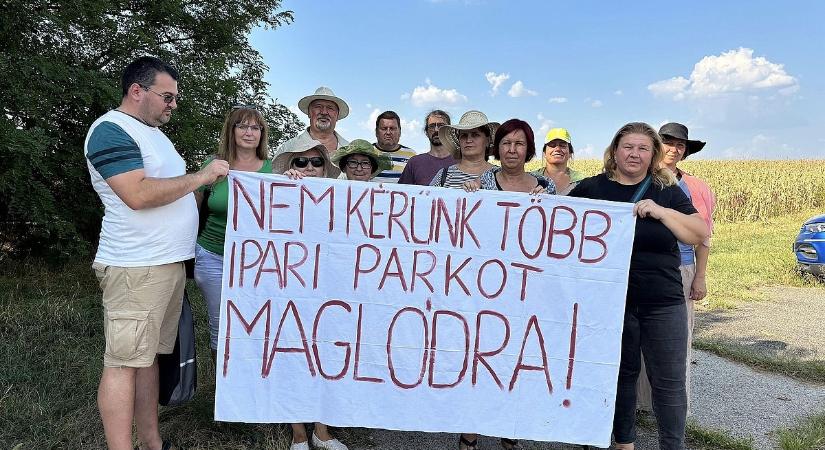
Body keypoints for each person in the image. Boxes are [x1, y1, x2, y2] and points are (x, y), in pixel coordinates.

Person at [84, 56, 229, 450]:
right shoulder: (111, 130)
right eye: (167, 96)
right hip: (136, 267)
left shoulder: (152, 134)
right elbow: (137, 194)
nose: (173, 104)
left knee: (148, 359)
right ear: (137, 91)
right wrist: (202, 176)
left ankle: (152, 442)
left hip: (164, 266)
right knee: (123, 363)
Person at [568, 122, 708, 450]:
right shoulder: (592, 188)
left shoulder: (666, 190)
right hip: (612, 303)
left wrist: (661, 212)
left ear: (652, 155)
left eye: (643, 148)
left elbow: (698, 232)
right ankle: (624, 443)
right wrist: (536, 200)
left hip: (663, 301)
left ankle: (673, 445)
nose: (635, 153)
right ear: (614, 151)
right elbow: (558, 219)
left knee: (669, 383)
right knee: (621, 376)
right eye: (628, 146)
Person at [271, 136, 348, 450]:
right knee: (291, 356)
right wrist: (284, 187)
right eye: (300, 161)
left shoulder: (339, 196)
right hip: (289, 288)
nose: (309, 167)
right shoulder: (278, 192)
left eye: (317, 162)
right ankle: (298, 433)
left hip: (327, 289)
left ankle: (321, 430)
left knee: (325, 355)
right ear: (290, 166)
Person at [636, 123, 716, 413]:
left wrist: (700, 277)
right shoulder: (637, 177)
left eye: (679, 145)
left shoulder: (696, 188)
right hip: (639, 268)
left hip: (680, 268)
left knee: (675, 342)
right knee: (636, 340)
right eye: (667, 142)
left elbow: (704, 236)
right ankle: (641, 403)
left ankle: (673, 407)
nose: (673, 148)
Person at [193, 106, 272, 370]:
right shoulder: (213, 166)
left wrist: (296, 181)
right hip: (213, 256)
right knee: (222, 324)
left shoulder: (274, 170)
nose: (249, 132)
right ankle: (224, 391)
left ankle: (250, 380)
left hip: (257, 263)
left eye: (255, 127)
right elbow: (193, 209)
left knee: (255, 321)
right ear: (232, 130)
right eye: (242, 126)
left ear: (262, 134)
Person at [428, 110, 499, 189]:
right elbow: (427, 199)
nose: (468, 140)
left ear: (487, 141)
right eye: (464, 135)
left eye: (475, 135)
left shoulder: (501, 174)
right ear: (459, 141)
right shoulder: (443, 175)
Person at [277, 86, 350, 159]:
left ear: (337, 115)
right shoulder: (287, 149)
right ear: (309, 113)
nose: (324, 112)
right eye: (318, 106)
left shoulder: (350, 151)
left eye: (330, 108)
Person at [398, 110, 455, 185]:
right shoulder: (414, 163)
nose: (436, 130)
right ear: (426, 132)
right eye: (432, 126)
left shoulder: (462, 162)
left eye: (441, 126)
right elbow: (403, 192)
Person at [530, 128, 585, 195]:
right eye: (552, 145)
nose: (557, 149)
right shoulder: (530, 178)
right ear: (544, 153)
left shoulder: (583, 181)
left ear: (570, 153)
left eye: (562, 145)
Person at [371, 110, 417, 183]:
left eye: (392, 128)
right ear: (376, 132)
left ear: (400, 132)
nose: (388, 132)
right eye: (384, 128)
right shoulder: (367, 152)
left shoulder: (412, 156)